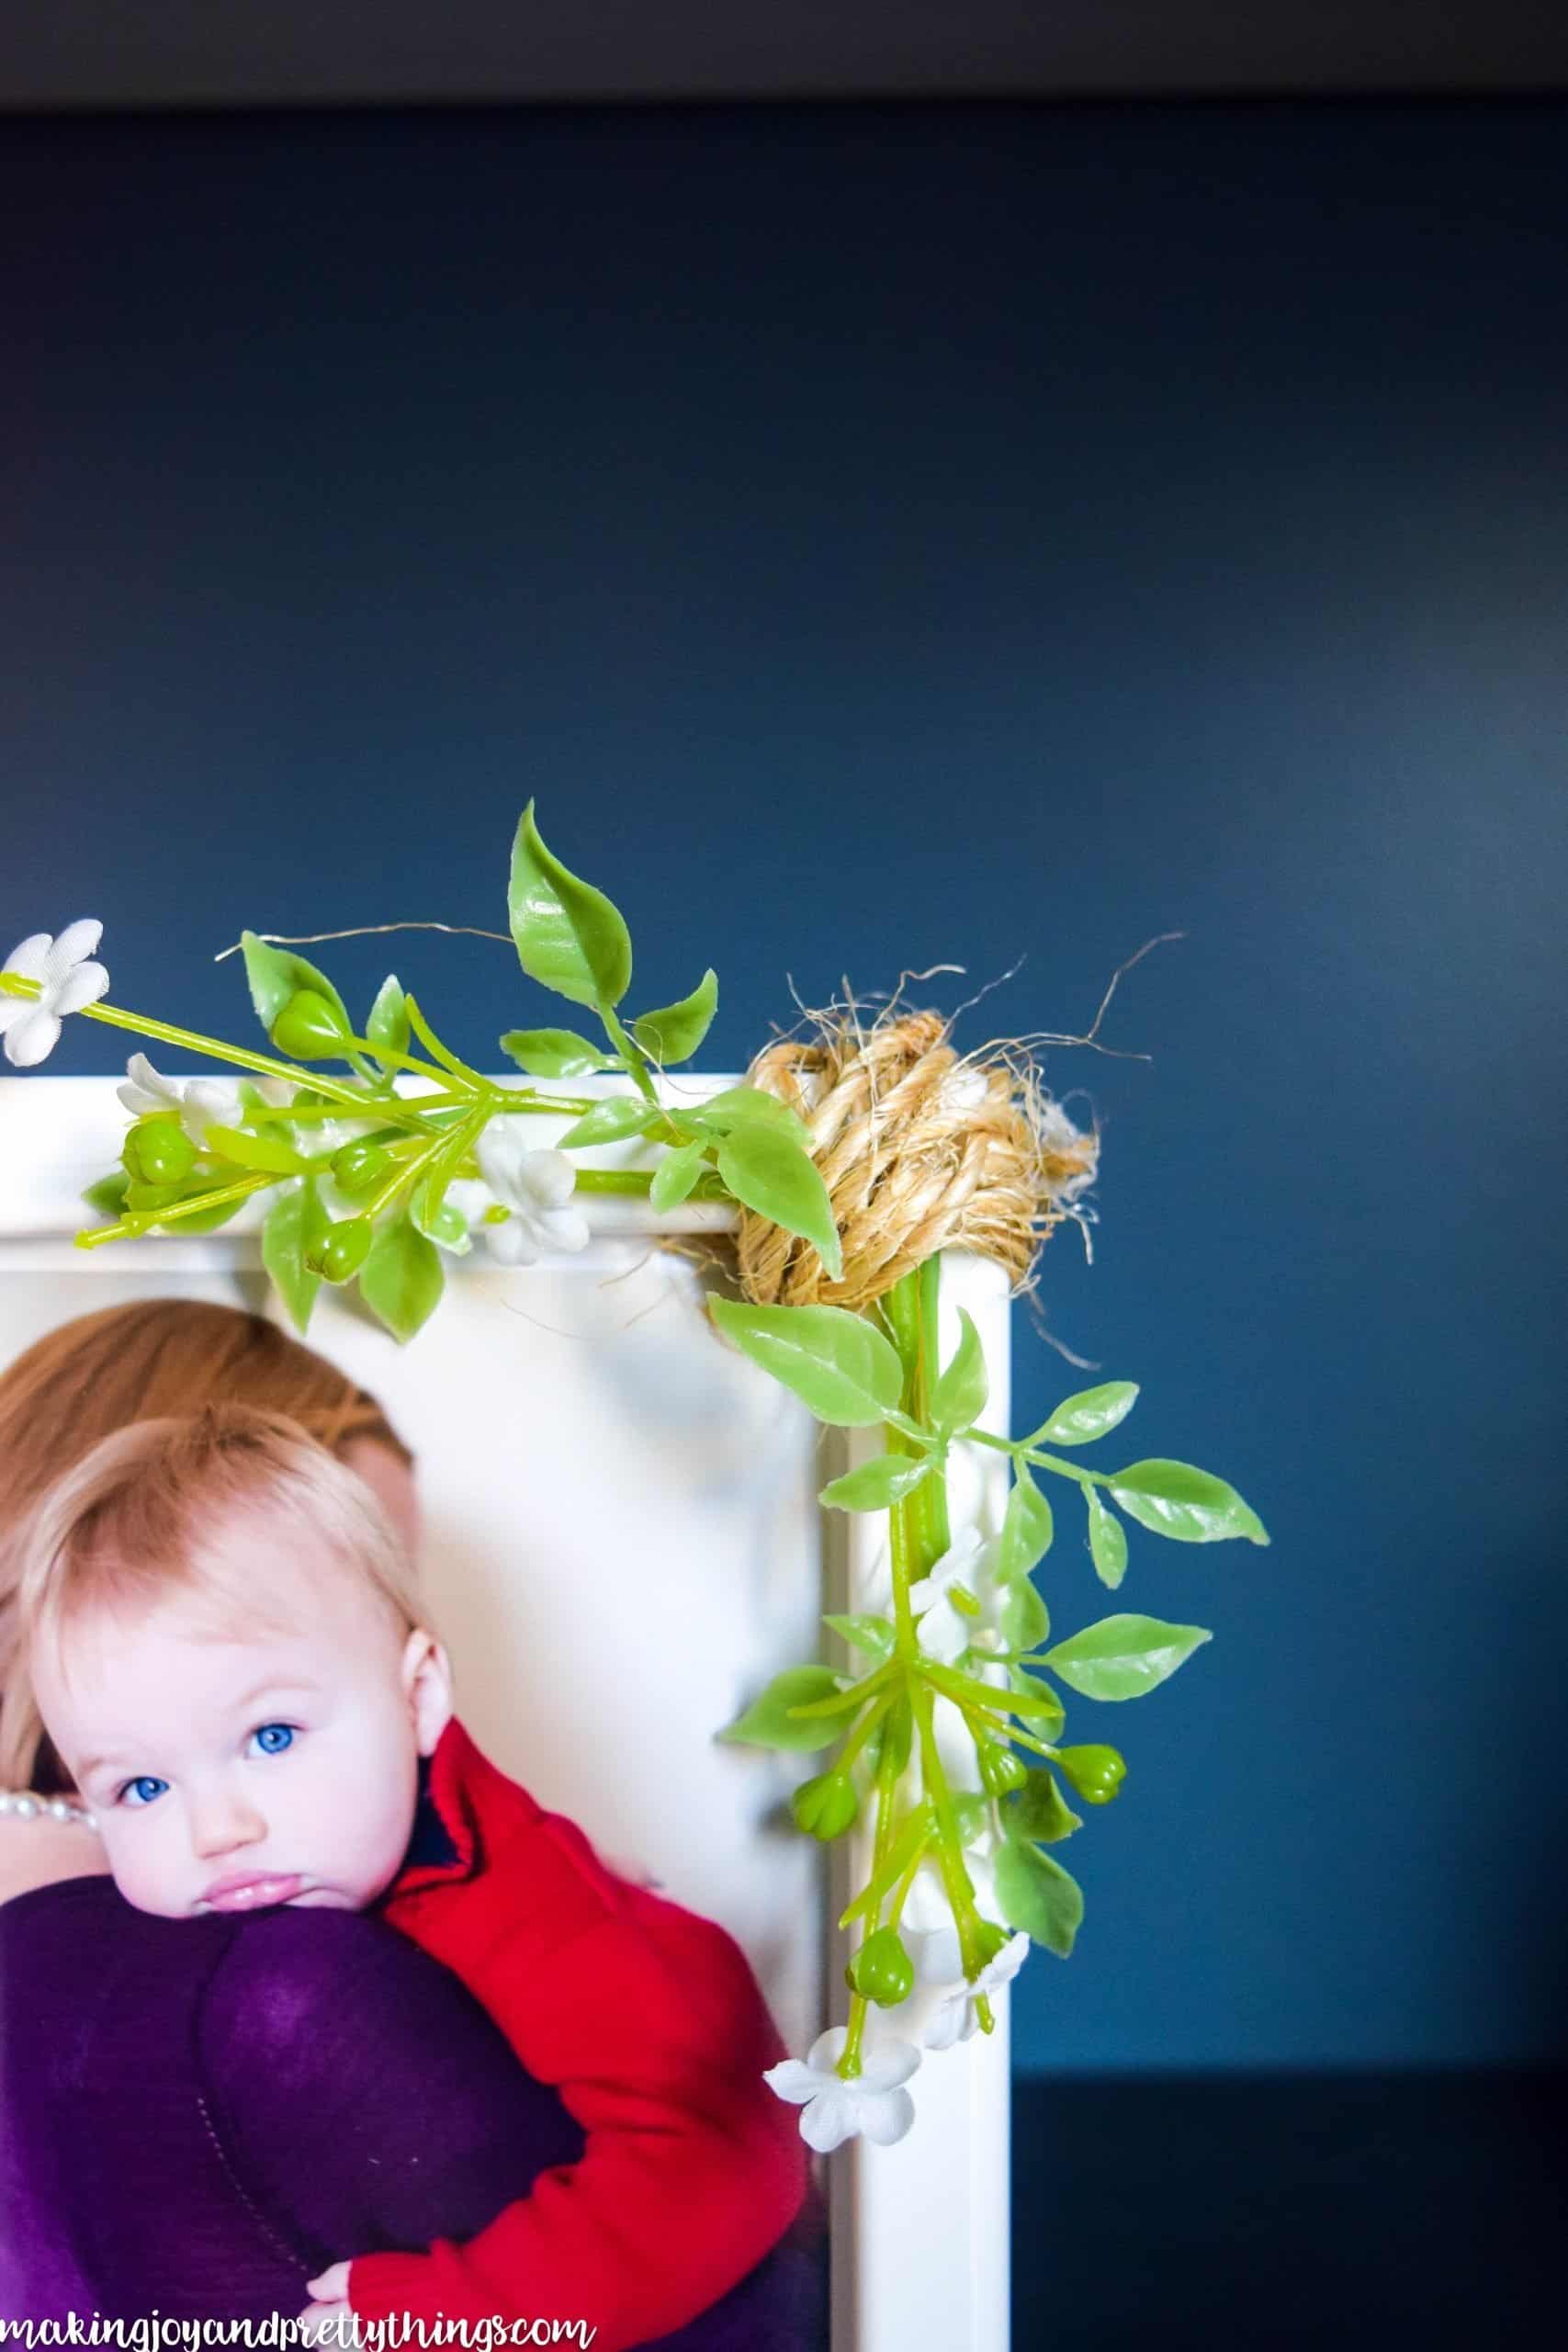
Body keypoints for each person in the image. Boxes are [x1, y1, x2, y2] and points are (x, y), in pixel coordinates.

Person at [0, 1301, 827, 2345]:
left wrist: (450, 2310)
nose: (217, 1826)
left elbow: (725, 2151)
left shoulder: (535, 1905)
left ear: (418, 1687)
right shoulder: (162, 1912)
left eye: (272, 1732)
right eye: (141, 1786)